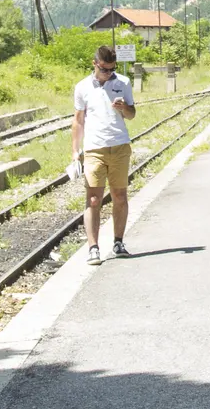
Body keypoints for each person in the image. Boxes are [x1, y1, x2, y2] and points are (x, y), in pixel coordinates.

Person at [73, 45, 137, 265]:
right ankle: (93, 247)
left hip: (119, 146)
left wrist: (124, 108)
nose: (109, 74)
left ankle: (118, 242)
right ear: (95, 64)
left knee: (120, 196)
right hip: (94, 149)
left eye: (112, 69)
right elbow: (78, 120)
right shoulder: (82, 87)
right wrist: (75, 150)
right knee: (93, 200)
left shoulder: (123, 83)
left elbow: (132, 114)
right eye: (104, 69)